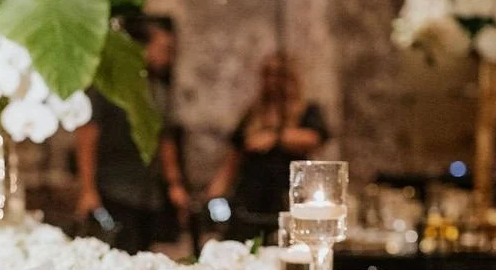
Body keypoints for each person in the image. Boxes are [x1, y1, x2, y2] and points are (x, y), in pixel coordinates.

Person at [74, 16, 189, 254]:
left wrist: (174, 183)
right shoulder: (109, 85)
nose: (169, 56)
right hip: (113, 188)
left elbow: (164, 138)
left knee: (144, 256)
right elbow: (87, 135)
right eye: (164, 49)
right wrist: (87, 189)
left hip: (148, 192)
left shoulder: (157, 89)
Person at [206, 53, 328, 224]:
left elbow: (314, 138)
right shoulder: (253, 113)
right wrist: (213, 195)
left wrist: (275, 138)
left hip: (287, 192)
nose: (273, 81)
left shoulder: (306, 110)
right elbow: (233, 158)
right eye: (268, 74)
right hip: (251, 194)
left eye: (278, 75)